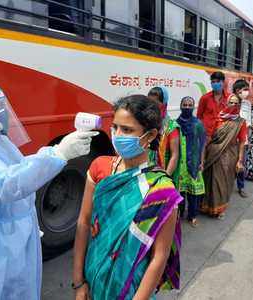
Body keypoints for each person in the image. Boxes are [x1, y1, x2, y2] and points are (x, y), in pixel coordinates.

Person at [0, 81, 95, 299]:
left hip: (7, 238)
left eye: (2, 105)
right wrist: (59, 155)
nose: (3, 112)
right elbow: (6, 183)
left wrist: (54, 152)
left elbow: (18, 167)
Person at [72, 95, 182, 300]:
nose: (118, 135)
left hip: (132, 288)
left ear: (150, 136)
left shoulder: (161, 189)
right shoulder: (100, 167)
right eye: (115, 127)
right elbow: (84, 222)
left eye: (128, 130)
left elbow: (160, 256)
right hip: (92, 279)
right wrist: (78, 282)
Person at [201, 95, 248, 219]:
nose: (233, 105)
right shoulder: (218, 118)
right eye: (231, 102)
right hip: (213, 152)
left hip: (229, 154)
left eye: (236, 103)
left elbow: (242, 141)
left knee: (223, 182)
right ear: (226, 103)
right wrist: (204, 154)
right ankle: (207, 206)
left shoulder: (241, 122)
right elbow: (209, 136)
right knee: (209, 179)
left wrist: (240, 160)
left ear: (239, 105)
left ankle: (220, 208)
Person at [176, 96, 206, 227]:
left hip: (193, 162)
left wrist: (202, 161)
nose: (187, 107)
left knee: (193, 192)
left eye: (190, 105)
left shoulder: (198, 123)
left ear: (193, 107)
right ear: (181, 105)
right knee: (180, 191)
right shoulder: (175, 123)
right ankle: (180, 213)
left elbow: (203, 143)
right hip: (180, 162)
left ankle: (192, 215)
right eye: (185, 104)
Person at [147, 87, 181, 186]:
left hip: (162, 175)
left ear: (164, 104)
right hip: (145, 175)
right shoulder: (146, 123)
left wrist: (165, 177)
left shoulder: (171, 127)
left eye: (156, 103)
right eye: (150, 102)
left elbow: (175, 155)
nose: (152, 106)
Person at [197, 71, 229, 141]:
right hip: (206, 135)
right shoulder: (205, 98)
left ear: (223, 82)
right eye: (213, 82)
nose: (215, 84)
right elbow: (199, 117)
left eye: (218, 81)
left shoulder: (229, 98)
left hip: (222, 135)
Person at [233, 79, 251, 198]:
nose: (246, 92)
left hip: (242, 138)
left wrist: (247, 139)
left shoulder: (247, 104)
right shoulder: (230, 101)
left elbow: (248, 122)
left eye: (247, 89)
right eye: (244, 89)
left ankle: (241, 187)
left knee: (241, 163)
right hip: (230, 138)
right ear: (237, 90)